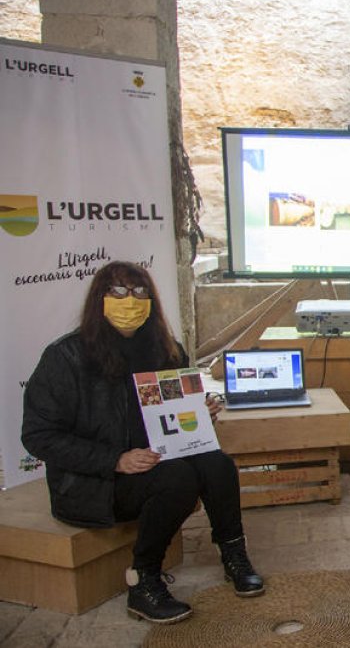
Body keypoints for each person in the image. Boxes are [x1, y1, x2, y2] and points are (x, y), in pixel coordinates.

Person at [22, 261, 264, 625]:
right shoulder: (66, 357)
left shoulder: (166, 350)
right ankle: (143, 580)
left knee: (217, 464)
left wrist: (199, 414)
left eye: (139, 293)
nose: (129, 301)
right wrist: (115, 459)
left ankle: (233, 555)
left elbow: (170, 417)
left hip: (156, 459)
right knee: (178, 478)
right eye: (117, 292)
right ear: (98, 299)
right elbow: (38, 436)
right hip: (96, 481)